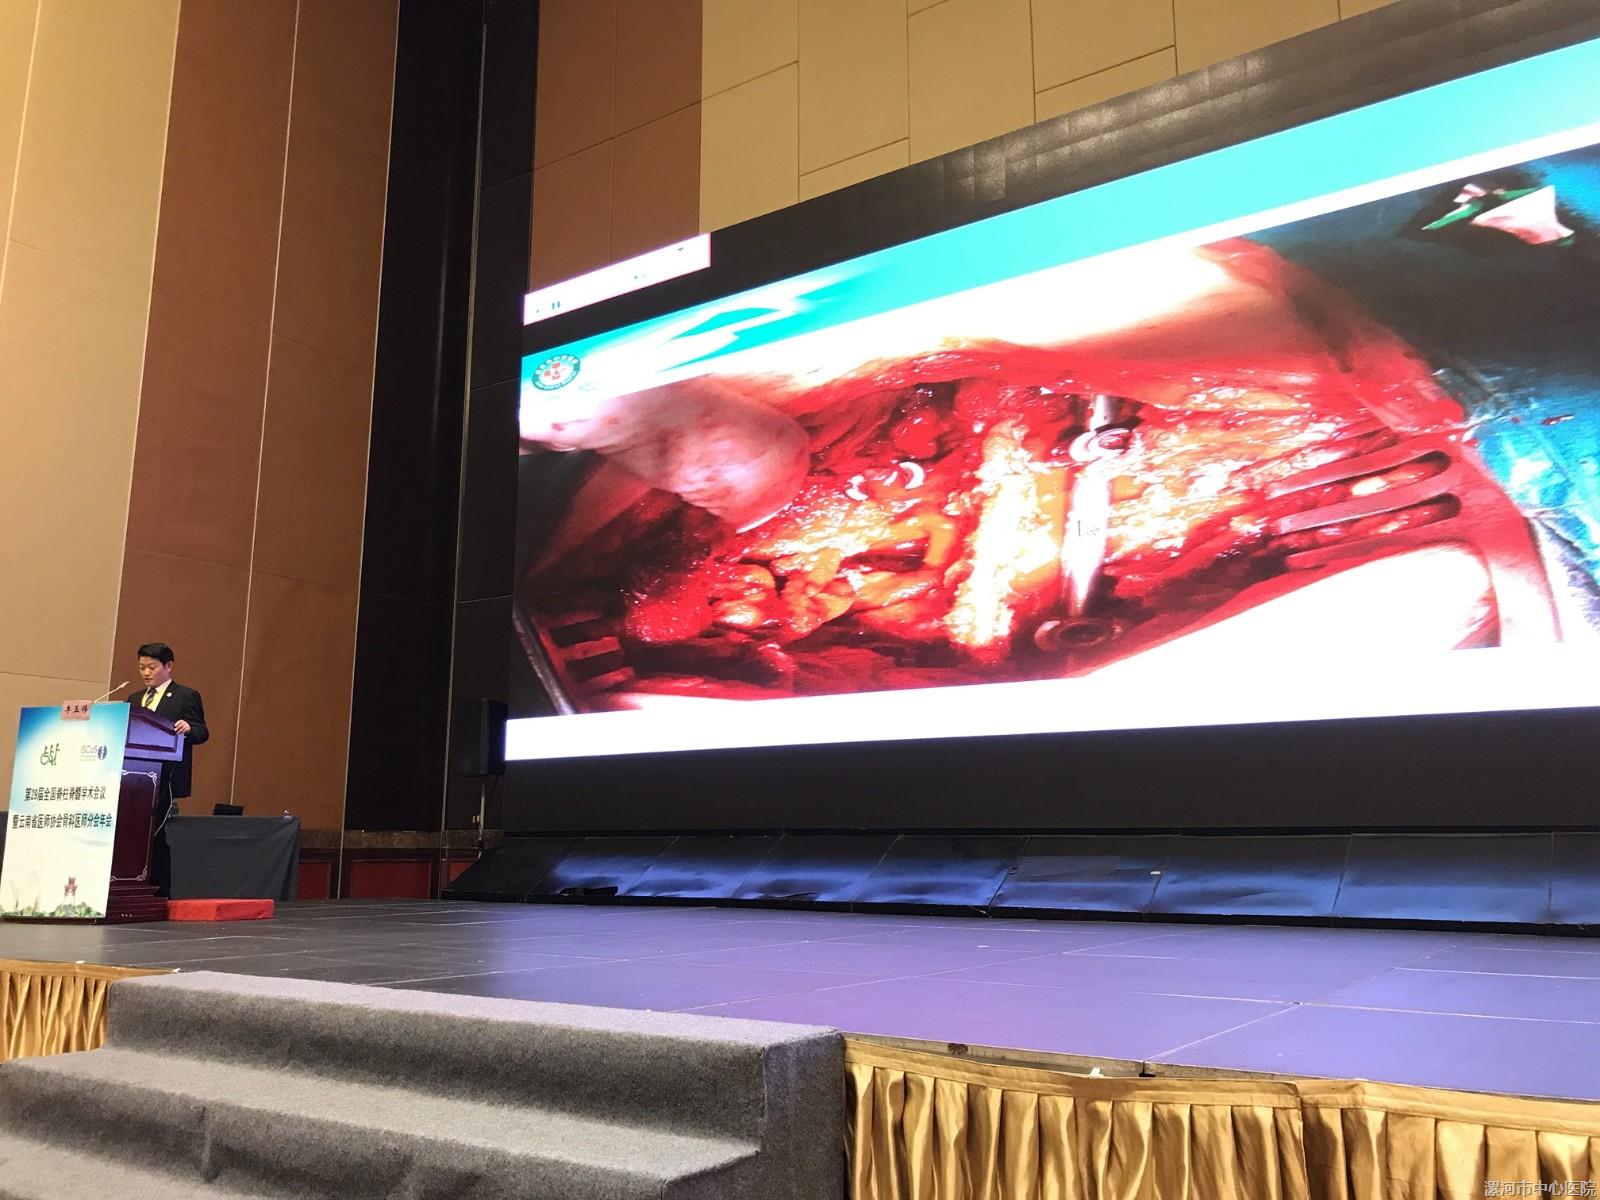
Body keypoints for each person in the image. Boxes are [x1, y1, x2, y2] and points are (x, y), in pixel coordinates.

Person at [133, 642, 208, 896]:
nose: (146, 673)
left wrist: (189, 728)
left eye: (151, 667)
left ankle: (161, 893)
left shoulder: (186, 696)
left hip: (165, 778)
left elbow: (202, 732)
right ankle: (134, 887)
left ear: (168, 666)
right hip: (135, 780)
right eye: (142, 667)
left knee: (156, 835)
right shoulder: (134, 699)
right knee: (137, 835)